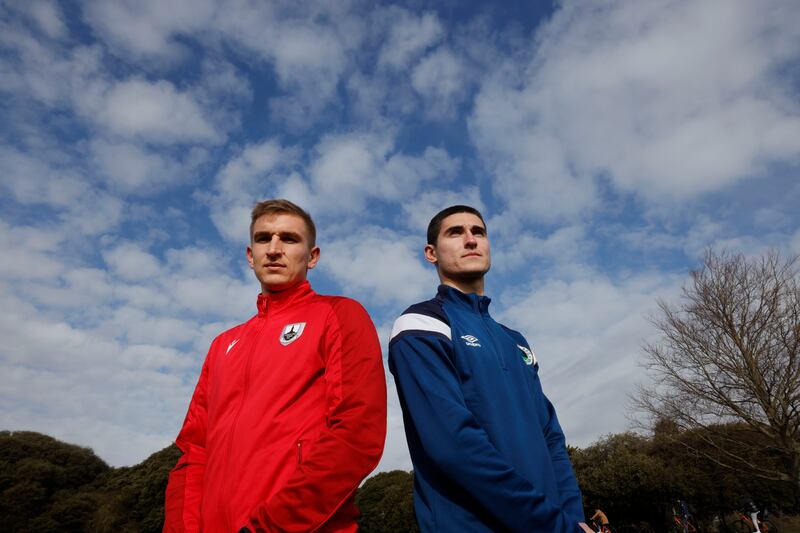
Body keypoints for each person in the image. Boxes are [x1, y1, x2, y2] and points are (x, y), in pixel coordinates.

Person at [163, 199, 387, 533]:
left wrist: (271, 526)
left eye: (289, 239)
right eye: (264, 238)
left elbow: (357, 431)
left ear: (312, 257)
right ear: (250, 255)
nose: (274, 248)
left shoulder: (340, 315)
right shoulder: (223, 344)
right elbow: (194, 451)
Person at [388, 205, 591, 533]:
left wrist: (574, 518)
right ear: (431, 253)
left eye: (478, 232)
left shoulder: (516, 341)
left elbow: (550, 436)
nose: (470, 240)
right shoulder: (422, 324)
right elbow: (454, 445)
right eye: (455, 232)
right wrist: (554, 525)